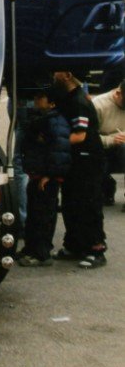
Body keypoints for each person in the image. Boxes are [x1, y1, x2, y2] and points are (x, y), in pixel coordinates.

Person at [52, 71, 107, 268]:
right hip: (74, 160)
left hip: (88, 160)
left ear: (67, 75)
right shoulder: (67, 97)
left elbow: (79, 135)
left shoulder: (79, 101)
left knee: (88, 204)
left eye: (57, 72)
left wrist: (52, 143)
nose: (53, 75)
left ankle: (96, 248)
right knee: (70, 202)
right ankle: (74, 244)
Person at [18, 86, 72, 266]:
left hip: (46, 177)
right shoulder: (44, 119)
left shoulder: (54, 122)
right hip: (37, 174)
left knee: (43, 216)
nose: (36, 99)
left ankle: (41, 253)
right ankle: (31, 248)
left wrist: (50, 175)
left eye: (41, 97)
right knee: (34, 214)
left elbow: (60, 150)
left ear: (52, 103)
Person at [92, 79, 125, 207]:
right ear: (118, 93)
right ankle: (106, 185)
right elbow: (88, 137)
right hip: (103, 147)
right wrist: (112, 139)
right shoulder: (98, 104)